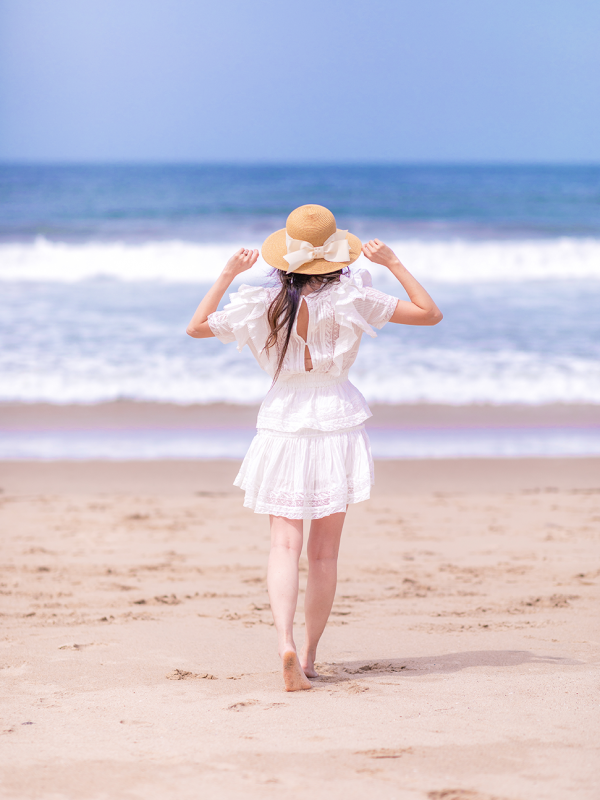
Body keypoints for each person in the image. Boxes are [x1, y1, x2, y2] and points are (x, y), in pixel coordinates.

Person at [186, 204, 442, 692]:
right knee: (324, 555)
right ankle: (308, 656)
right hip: (336, 421)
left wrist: (225, 274)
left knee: (284, 544)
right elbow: (430, 314)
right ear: (336, 258)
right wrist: (393, 262)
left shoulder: (259, 301)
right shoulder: (354, 298)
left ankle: (283, 641)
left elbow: (197, 327)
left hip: (283, 419)